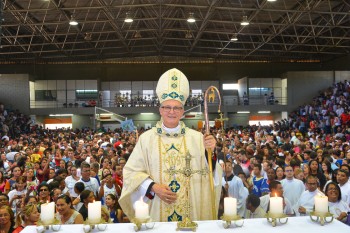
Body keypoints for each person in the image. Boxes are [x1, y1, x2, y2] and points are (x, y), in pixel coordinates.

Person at [119, 68, 222, 222]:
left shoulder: (197, 138)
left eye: (177, 107)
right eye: (167, 107)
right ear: (160, 110)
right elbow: (131, 173)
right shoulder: (146, 139)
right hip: (157, 206)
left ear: (183, 111)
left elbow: (209, 175)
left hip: (190, 211)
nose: (172, 111)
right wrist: (153, 187)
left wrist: (211, 153)